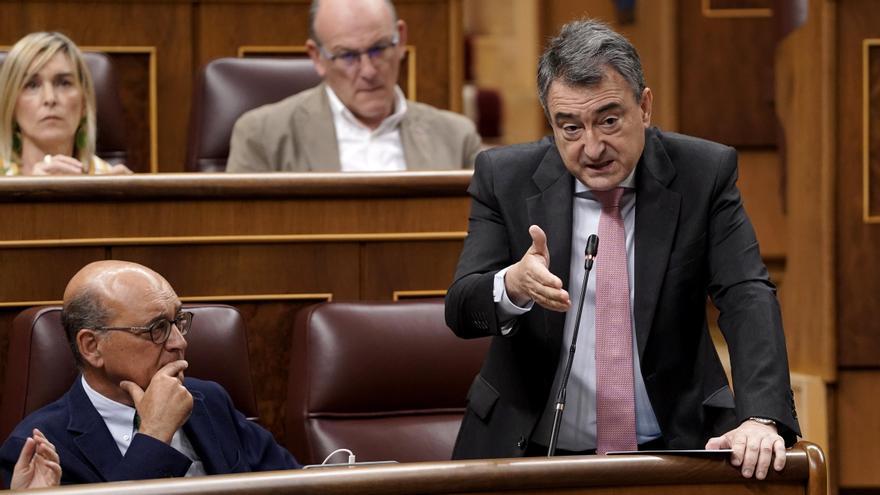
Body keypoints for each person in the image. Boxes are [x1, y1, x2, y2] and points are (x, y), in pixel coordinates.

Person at [445, 19, 800, 480]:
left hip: (674, 448)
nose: (592, 147)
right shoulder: (504, 178)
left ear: (645, 107)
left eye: (609, 120)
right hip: (528, 452)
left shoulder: (702, 174)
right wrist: (511, 286)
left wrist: (761, 417)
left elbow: (745, 292)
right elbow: (460, 307)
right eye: (569, 127)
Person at [0, 260, 299, 488]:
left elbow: (295, 484)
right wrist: (154, 435)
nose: (179, 342)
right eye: (156, 329)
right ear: (92, 347)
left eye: (178, 321)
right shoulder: (38, 447)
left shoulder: (209, 400)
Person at [226, 0, 481, 173]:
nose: (368, 71)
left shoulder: (456, 138)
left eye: (379, 48)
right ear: (317, 57)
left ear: (401, 40)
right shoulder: (261, 136)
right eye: (348, 56)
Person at [0, 32, 131, 176]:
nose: (50, 98)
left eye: (64, 83)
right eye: (31, 85)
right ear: (11, 104)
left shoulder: (109, 180)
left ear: (84, 103)